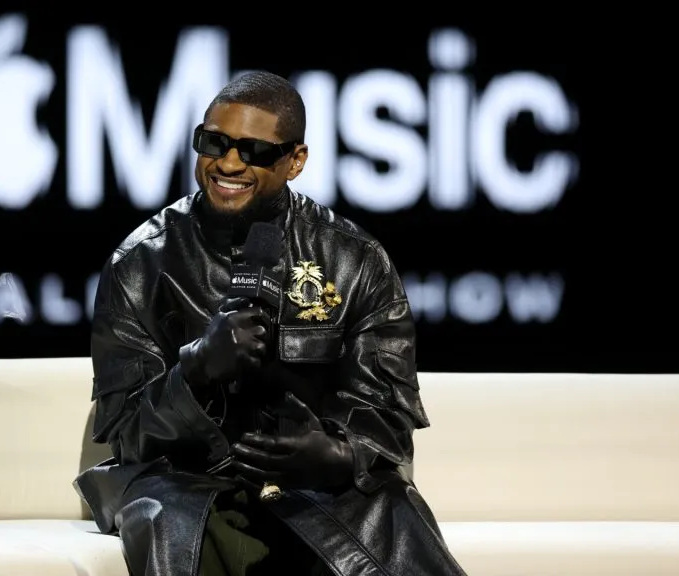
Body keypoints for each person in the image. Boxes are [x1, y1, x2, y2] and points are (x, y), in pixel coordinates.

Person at [76, 70, 467, 576]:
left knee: (393, 517)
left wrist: (331, 454)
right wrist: (194, 370)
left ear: (295, 161)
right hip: (186, 486)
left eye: (254, 151)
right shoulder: (140, 263)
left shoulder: (356, 260)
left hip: (319, 490)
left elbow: (386, 413)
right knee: (170, 520)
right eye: (213, 142)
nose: (228, 163)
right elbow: (127, 433)